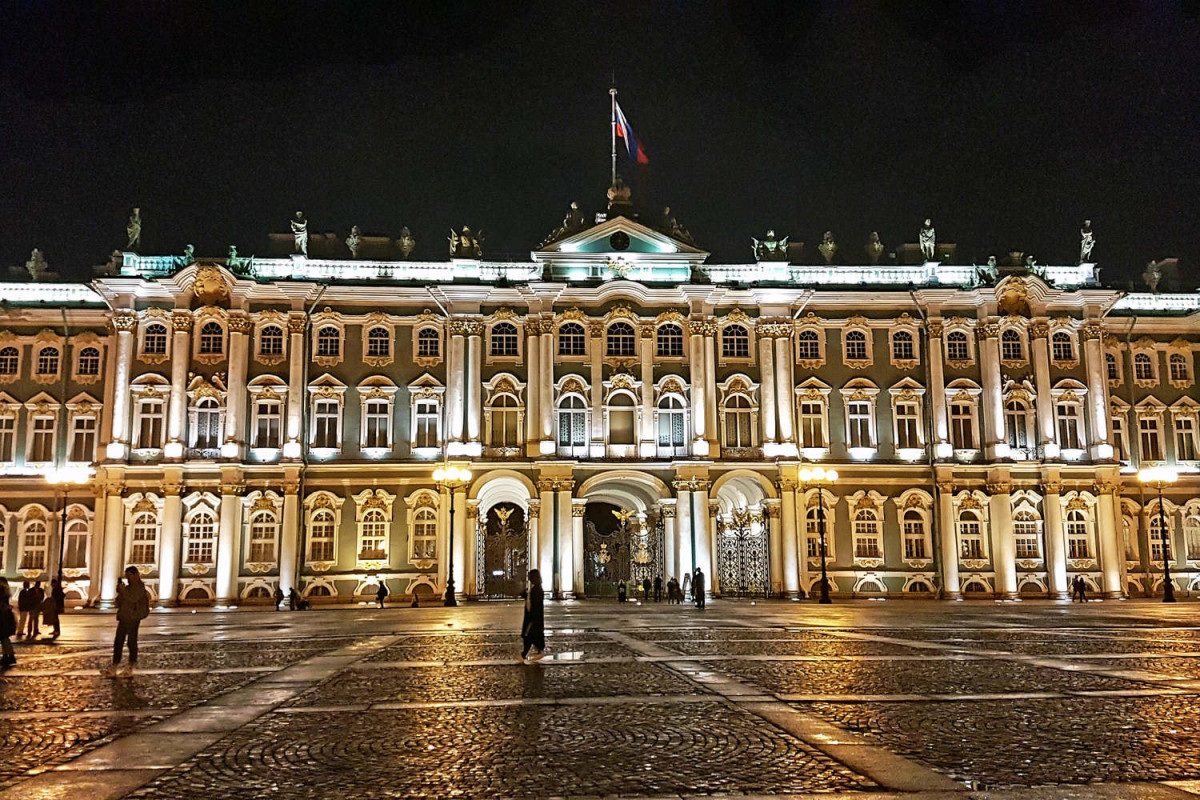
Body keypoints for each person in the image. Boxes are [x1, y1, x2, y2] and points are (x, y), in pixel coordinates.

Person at [103, 566, 150, 677]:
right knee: (118, 642)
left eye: (129, 575)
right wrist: (120, 593)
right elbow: (120, 602)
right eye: (127, 576)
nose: (128, 578)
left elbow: (133, 599)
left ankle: (130, 666)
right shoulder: (128, 588)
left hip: (133, 618)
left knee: (131, 642)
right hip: (124, 617)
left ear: (135, 575)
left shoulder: (139, 587)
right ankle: (114, 666)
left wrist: (124, 591)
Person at [519, 569, 545, 662]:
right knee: (530, 636)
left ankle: (525, 653)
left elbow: (535, 604)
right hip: (533, 618)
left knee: (529, 636)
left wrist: (532, 618)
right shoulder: (535, 589)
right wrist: (525, 595)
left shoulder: (537, 590)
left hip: (533, 619)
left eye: (530, 577)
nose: (529, 579)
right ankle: (530, 652)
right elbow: (531, 599)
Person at [0, 578, 15, 668]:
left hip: (2, 616)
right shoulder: (6, 591)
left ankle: (8, 656)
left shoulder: (1, 591)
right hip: (5, 616)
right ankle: (7, 655)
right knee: (4, 638)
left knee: (4, 637)